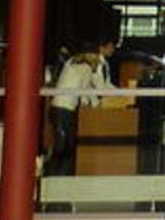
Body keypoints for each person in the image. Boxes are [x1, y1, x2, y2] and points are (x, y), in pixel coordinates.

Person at [47, 38, 118, 177]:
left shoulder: (71, 62)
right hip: (66, 109)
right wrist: (97, 105)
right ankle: (56, 175)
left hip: (57, 107)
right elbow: (87, 91)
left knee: (61, 145)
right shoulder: (86, 68)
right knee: (63, 147)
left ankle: (54, 174)